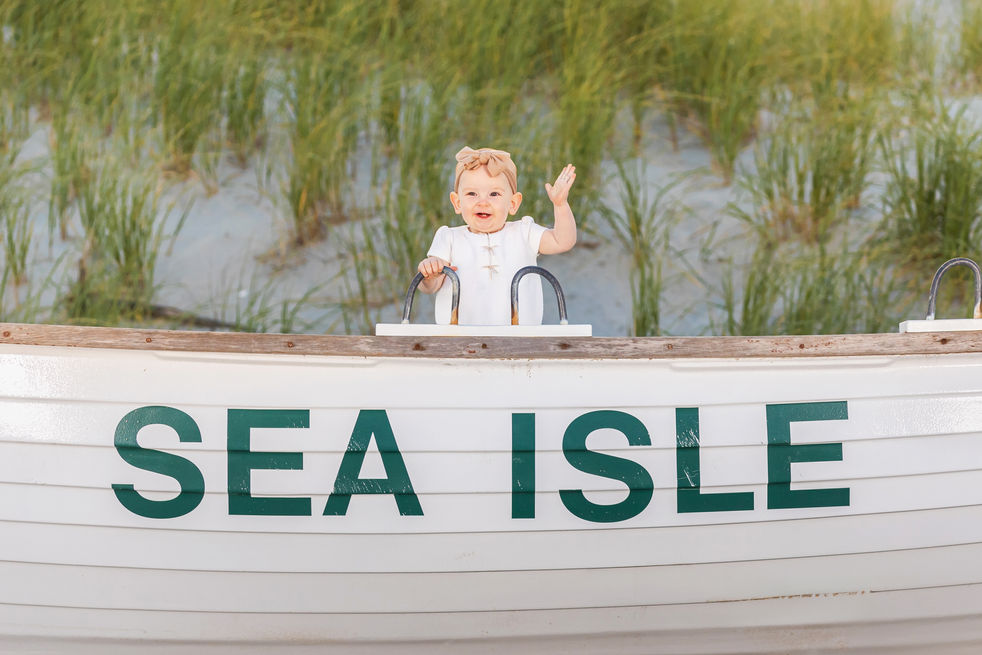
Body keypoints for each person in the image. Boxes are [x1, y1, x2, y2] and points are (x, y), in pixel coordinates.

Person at [416, 146, 577, 325]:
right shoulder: (449, 238)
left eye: (494, 194)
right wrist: (430, 273)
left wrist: (560, 205)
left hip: (519, 338)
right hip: (460, 339)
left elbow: (562, 241)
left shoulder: (524, 232)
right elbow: (429, 287)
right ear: (457, 202)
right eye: (471, 194)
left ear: (513, 203)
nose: (482, 202)